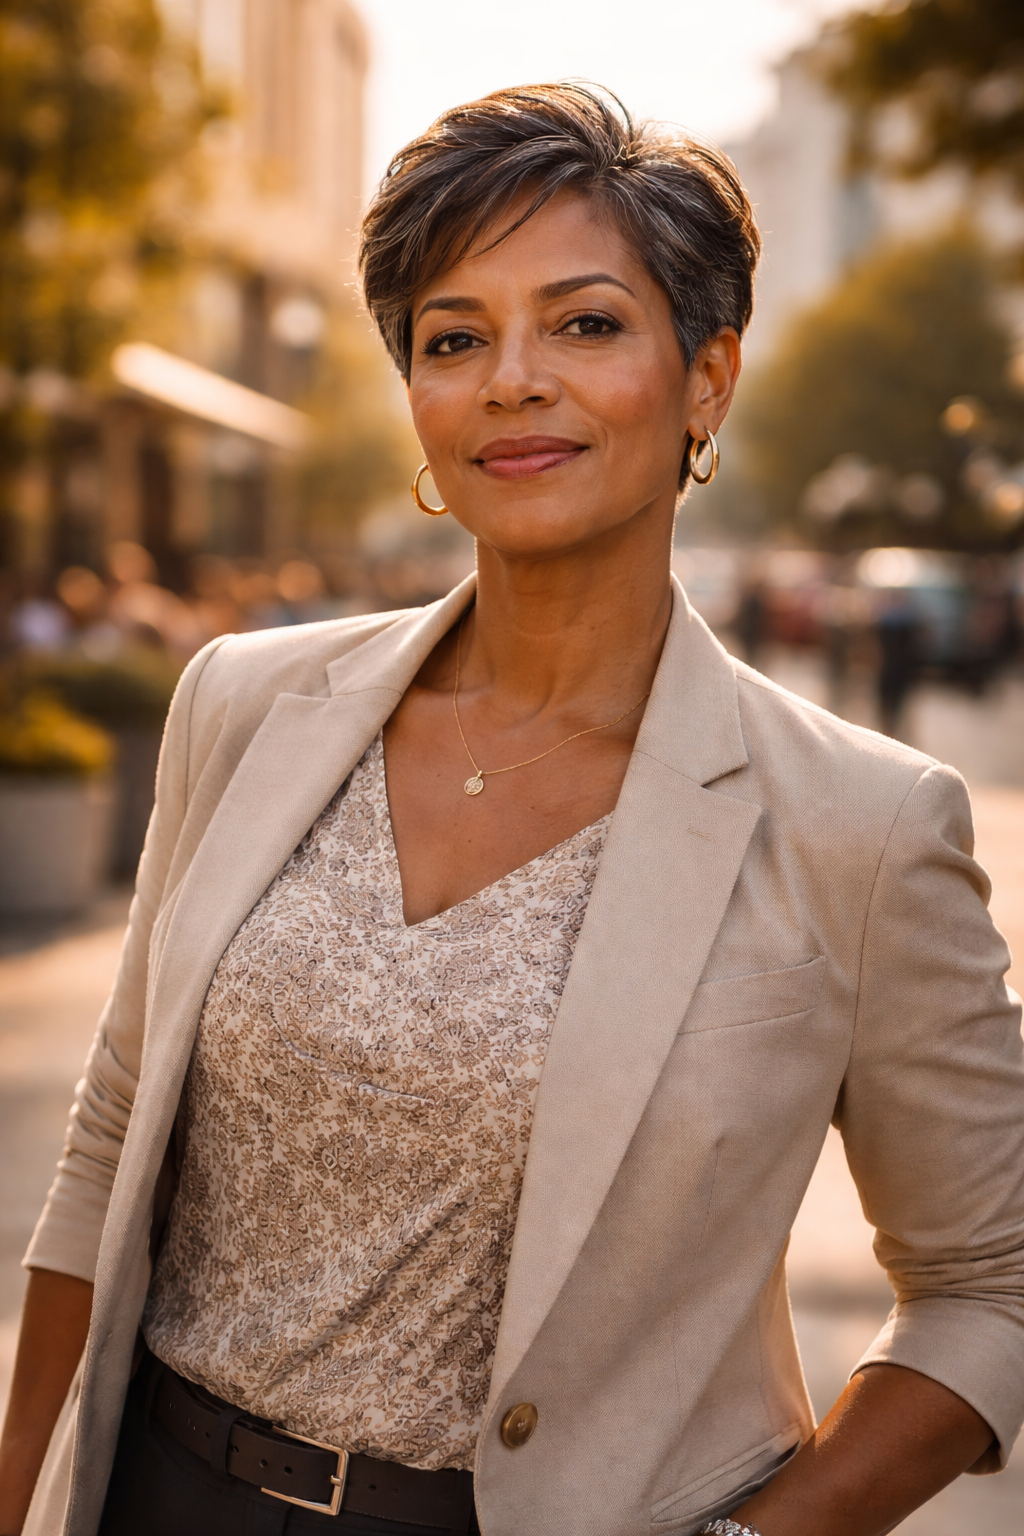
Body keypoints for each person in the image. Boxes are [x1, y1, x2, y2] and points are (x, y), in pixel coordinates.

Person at [2, 83, 1022, 1536]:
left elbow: (992, 1282)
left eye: (587, 323)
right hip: (162, 1494)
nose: (511, 380)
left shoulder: (861, 824)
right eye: (455, 337)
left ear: (707, 378)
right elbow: (109, 1148)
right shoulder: (242, 704)